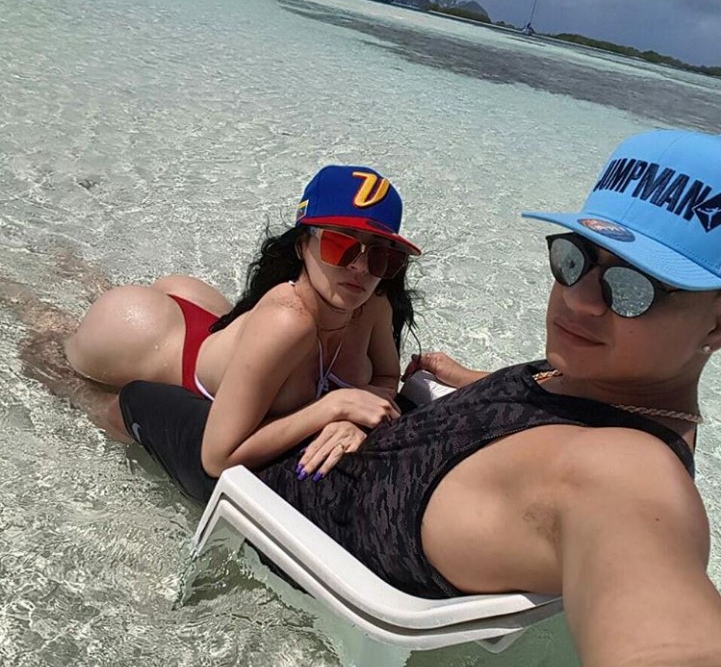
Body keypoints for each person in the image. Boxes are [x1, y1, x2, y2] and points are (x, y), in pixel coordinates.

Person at [119, 129, 721, 666]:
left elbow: (663, 621)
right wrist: (469, 378)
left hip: (278, 485)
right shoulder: (593, 372)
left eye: (635, 287)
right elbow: (538, 408)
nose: (579, 301)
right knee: (190, 310)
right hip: (338, 430)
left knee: (127, 394)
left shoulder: (627, 475)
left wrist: (339, 409)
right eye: (574, 258)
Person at [63, 165, 422, 501]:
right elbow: (216, 458)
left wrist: (358, 419)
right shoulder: (287, 323)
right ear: (302, 245)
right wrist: (335, 407)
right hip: (147, 340)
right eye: (340, 245)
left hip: (215, 329)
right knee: (55, 359)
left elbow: (387, 377)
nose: (360, 268)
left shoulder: (373, 305)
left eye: (381, 256)